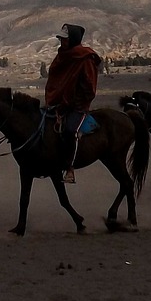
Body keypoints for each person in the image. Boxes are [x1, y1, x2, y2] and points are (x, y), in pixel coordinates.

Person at [44, 24, 101, 183]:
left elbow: (89, 88)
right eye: (60, 38)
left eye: (64, 39)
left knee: (70, 130)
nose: (61, 41)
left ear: (73, 39)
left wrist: (74, 103)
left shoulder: (85, 58)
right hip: (58, 104)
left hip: (77, 107)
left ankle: (69, 168)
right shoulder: (62, 56)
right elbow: (55, 81)